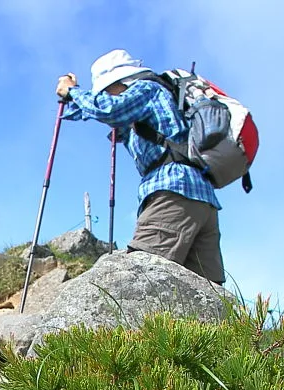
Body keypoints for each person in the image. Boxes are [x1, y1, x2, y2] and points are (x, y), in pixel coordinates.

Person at [57, 49, 225, 285]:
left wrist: (73, 91)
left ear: (119, 82)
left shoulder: (147, 89)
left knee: (139, 278)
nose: (106, 95)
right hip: (201, 198)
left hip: (173, 191)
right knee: (205, 289)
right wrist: (72, 97)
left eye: (106, 90)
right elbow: (95, 111)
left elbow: (108, 109)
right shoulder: (152, 105)